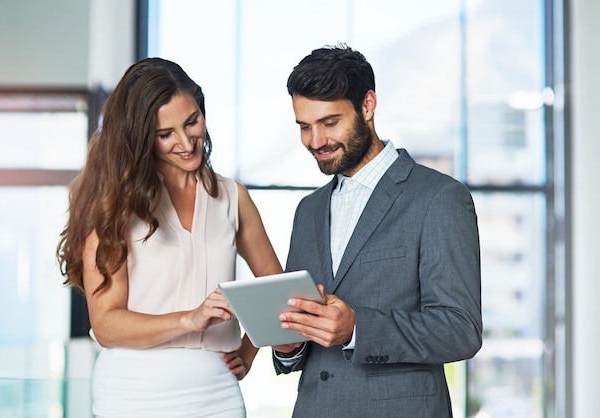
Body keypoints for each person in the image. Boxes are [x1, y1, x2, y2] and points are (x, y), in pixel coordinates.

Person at [56, 57, 283, 418]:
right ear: (141, 137)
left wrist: (248, 350)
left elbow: (276, 292)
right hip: (133, 391)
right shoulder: (115, 205)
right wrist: (189, 319)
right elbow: (106, 323)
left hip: (217, 391)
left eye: (192, 121)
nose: (186, 141)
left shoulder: (231, 196)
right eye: (165, 134)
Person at [272, 44, 482, 418]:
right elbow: (307, 337)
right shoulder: (308, 210)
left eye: (330, 122)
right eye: (305, 126)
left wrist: (357, 327)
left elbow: (460, 329)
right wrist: (288, 346)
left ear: (367, 106)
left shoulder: (439, 198)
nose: (315, 141)